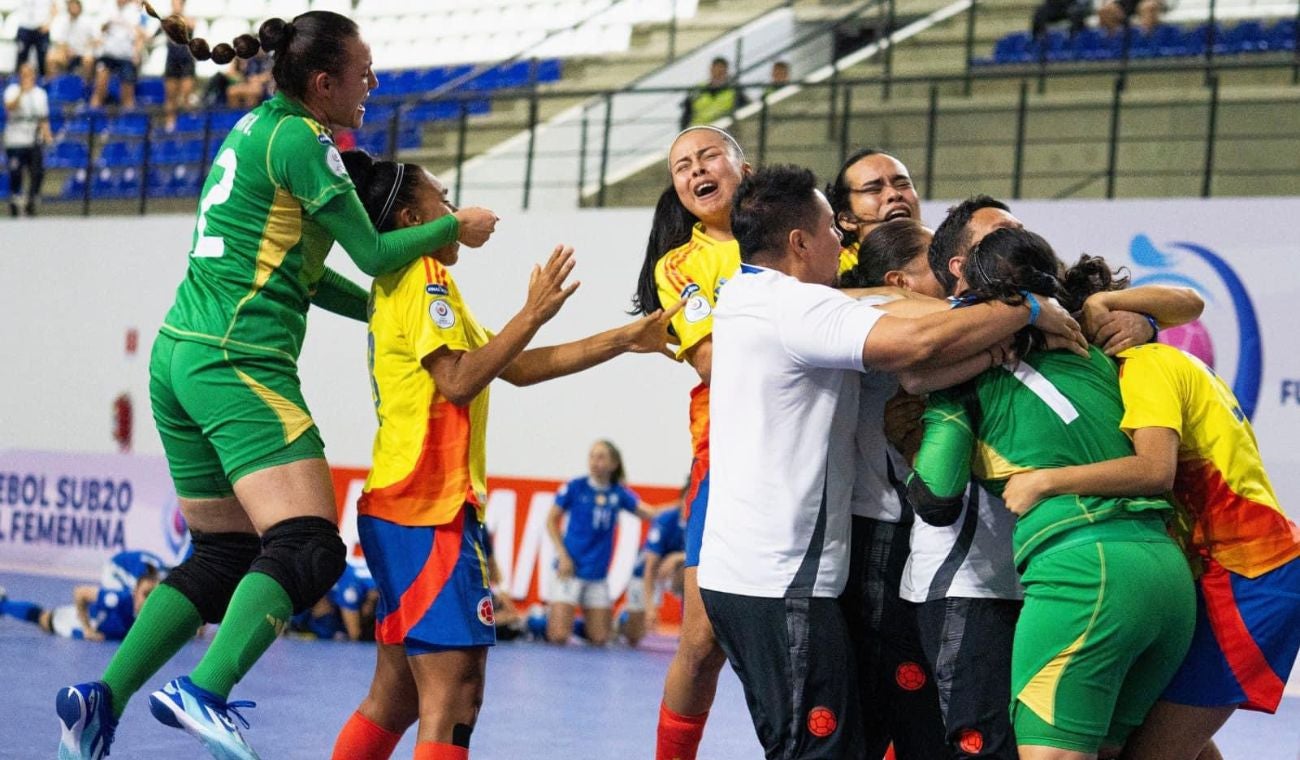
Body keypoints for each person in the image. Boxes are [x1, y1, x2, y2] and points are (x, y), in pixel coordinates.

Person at [56, 12, 499, 760]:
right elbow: (371, 249)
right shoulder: (304, 140)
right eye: (363, 72)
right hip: (236, 358)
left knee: (223, 555)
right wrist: (457, 227)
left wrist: (376, 317)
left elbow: (304, 272)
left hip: (180, 356)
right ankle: (205, 690)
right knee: (308, 546)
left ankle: (103, 698)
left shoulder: (258, 128)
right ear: (324, 83)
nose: (372, 84)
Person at [701, 164, 1086, 759]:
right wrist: (1027, 310)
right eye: (832, 228)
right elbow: (917, 347)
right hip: (779, 578)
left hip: (761, 574)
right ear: (800, 242)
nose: (840, 240)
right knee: (819, 750)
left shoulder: (753, 295)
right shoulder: (795, 309)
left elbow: (891, 310)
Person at [328, 150, 679, 760]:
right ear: (413, 217)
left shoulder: (409, 282)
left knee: (398, 695)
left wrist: (625, 338)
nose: (454, 206)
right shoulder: (422, 277)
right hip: (427, 508)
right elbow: (460, 381)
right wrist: (533, 310)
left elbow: (512, 368)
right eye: (443, 196)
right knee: (455, 695)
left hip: (400, 505)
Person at [907, 227, 1197, 760]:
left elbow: (934, 497)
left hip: (1084, 576)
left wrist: (933, 413)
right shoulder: (1097, 344)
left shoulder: (962, 380)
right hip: (1168, 581)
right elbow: (1188, 302)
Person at [1002, 303, 1300, 760]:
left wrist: (1045, 481)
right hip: (1224, 571)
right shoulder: (1161, 359)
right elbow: (1186, 299)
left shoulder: (1143, 367)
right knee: (1179, 742)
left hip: (1248, 578)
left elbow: (1154, 470)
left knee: (1154, 752)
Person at [630, 125, 747, 760]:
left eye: (708, 157)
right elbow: (712, 359)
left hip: (829, 460)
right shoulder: (680, 265)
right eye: (681, 166)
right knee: (701, 640)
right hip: (726, 460)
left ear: (742, 167)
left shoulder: (808, 238)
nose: (695, 171)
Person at [546, 439, 658, 646]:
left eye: (601, 457)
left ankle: (586, 623)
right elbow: (551, 521)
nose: (594, 462)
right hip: (570, 569)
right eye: (592, 456)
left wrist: (681, 506)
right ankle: (546, 617)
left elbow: (649, 513)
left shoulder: (618, 493)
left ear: (614, 464)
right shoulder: (575, 487)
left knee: (600, 639)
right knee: (559, 636)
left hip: (597, 574)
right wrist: (563, 556)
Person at [0, 551, 166, 642]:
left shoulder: (158, 614)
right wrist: (87, 629)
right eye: (146, 594)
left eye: (154, 595)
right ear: (134, 593)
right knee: (44, 619)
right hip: (85, 621)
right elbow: (80, 592)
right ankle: (3, 605)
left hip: (108, 629)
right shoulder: (118, 599)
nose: (150, 600)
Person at [826, 147, 922, 274]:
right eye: (874, 189)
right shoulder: (835, 270)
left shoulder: (948, 258)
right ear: (848, 220)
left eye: (902, 184)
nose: (894, 194)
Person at [622, 491, 686, 647]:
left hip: (677, 572)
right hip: (649, 573)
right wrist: (650, 607)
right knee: (634, 636)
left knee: (690, 574)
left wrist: (678, 557)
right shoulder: (665, 519)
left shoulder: (705, 521)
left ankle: (687, 629)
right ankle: (623, 619)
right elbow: (649, 568)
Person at [4, 63, 53, 217]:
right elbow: (9, 107)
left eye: (30, 74)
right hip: (15, 140)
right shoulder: (12, 90)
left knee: (37, 171)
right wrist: (21, 92)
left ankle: (31, 201)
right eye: (24, 74)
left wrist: (48, 136)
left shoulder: (40, 94)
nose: (27, 77)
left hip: (33, 139)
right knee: (16, 172)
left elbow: (43, 118)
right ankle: (14, 200)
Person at [90, 0, 146, 110]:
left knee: (128, 94)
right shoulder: (107, 6)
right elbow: (99, 29)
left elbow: (140, 35)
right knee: (99, 87)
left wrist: (137, 52)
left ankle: (127, 122)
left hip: (126, 55)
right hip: (108, 53)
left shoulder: (135, 10)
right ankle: (92, 119)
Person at [679, 57, 749, 129]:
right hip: (697, 130)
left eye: (721, 72)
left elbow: (746, 109)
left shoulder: (734, 90)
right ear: (711, 70)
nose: (718, 75)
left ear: (726, 72)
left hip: (722, 130)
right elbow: (686, 114)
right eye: (715, 71)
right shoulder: (698, 90)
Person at [159, 0, 196, 131]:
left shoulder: (188, 20)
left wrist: (179, 17)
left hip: (186, 59)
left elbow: (191, 27)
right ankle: (170, 124)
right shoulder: (167, 20)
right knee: (170, 96)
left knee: (186, 96)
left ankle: (186, 125)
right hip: (172, 60)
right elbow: (155, 34)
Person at [48, 0, 98, 82]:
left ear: (80, 8)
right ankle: (53, 83)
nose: (73, 9)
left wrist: (85, 47)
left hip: (83, 52)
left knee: (88, 60)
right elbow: (57, 40)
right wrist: (66, 50)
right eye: (71, 6)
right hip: (66, 51)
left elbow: (95, 39)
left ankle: (86, 83)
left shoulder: (88, 21)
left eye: (75, 7)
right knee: (51, 58)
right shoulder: (62, 21)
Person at [13, 0, 56, 79]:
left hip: (41, 27)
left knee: (42, 60)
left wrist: (49, 23)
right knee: (21, 59)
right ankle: (18, 84)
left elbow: (54, 7)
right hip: (24, 26)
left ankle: (43, 83)